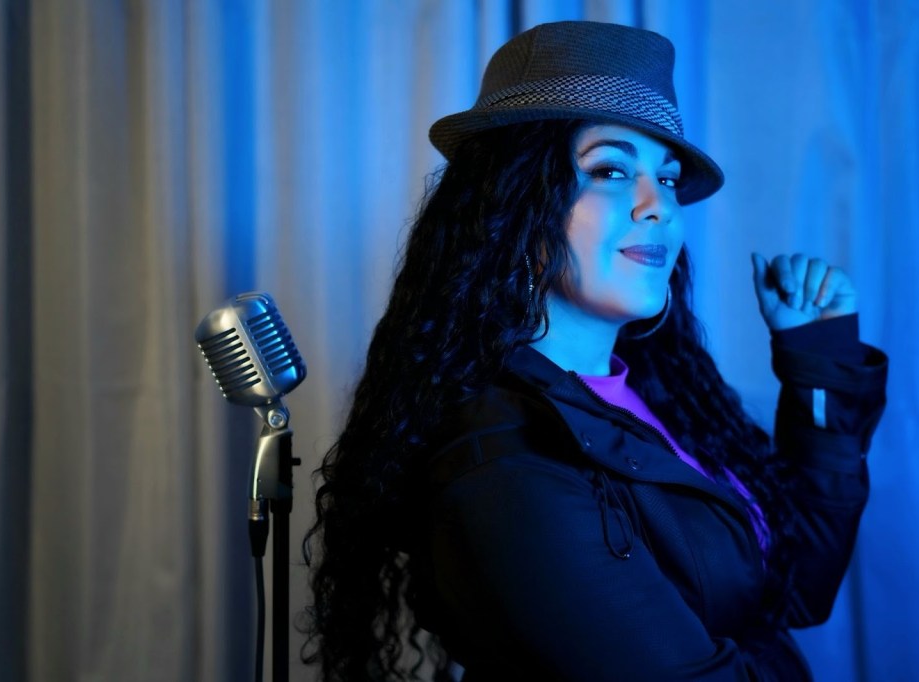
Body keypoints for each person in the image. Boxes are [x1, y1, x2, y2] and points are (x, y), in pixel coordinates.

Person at [302, 20, 887, 682]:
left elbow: (797, 588)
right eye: (611, 170)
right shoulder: (509, 472)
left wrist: (817, 356)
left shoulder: (657, 393)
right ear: (513, 202)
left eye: (667, 178)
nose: (658, 206)